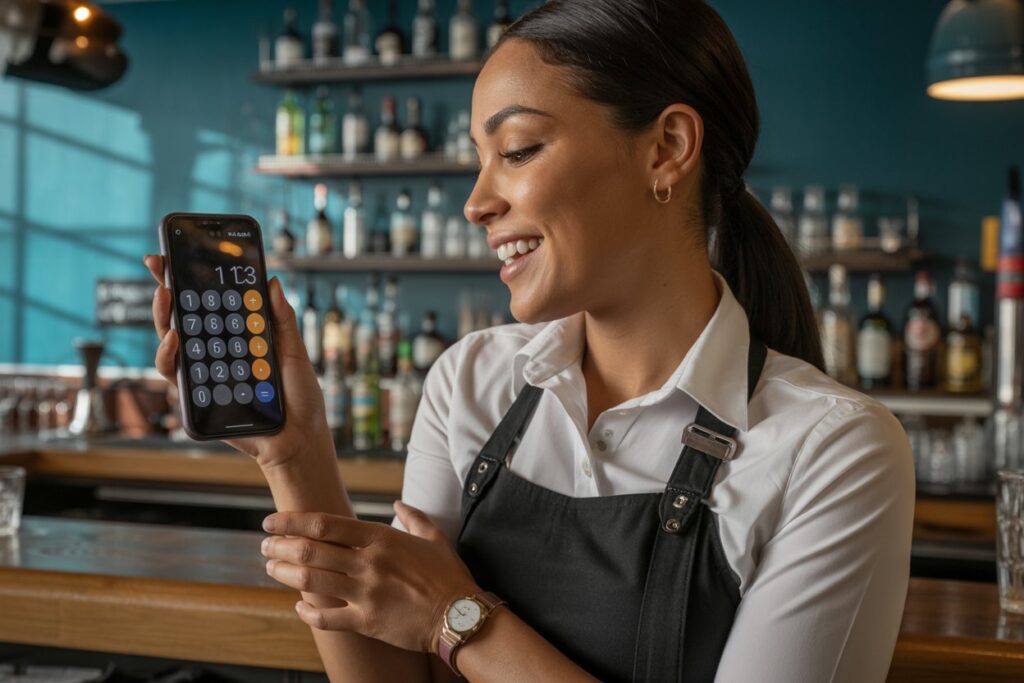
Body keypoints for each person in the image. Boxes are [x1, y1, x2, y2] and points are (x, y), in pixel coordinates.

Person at [145, 1, 913, 681]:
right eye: (479, 161)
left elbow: (434, 618)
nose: (479, 201)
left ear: (667, 147)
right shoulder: (470, 380)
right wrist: (297, 453)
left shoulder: (834, 449)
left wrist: (457, 614)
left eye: (515, 151)